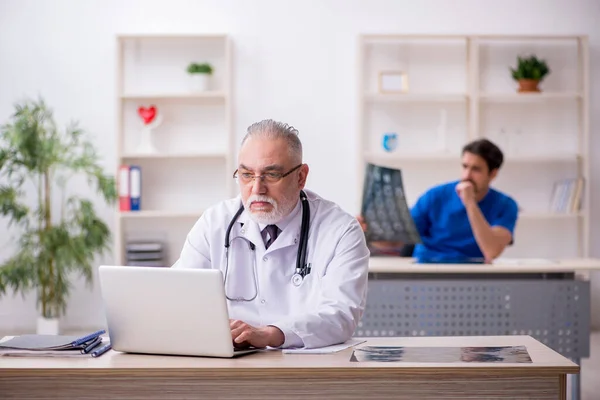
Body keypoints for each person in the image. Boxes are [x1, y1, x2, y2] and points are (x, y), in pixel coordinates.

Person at [172, 119, 370, 350]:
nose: (257, 189)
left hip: (306, 371)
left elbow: (341, 315)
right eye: (246, 175)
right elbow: (178, 296)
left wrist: (271, 334)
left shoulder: (340, 230)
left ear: (301, 177)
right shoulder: (215, 223)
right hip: (228, 365)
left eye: (271, 175)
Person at [359, 139, 518, 263]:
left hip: (472, 275)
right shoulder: (436, 196)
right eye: (465, 166)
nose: (466, 175)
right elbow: (398, 241)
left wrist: (470, 203)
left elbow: (491, 251)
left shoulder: (505, 205)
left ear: (493, 174)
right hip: (428, 270)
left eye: (476, 169)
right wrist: (369, 232)